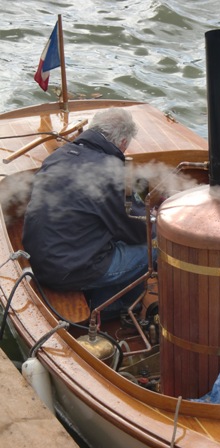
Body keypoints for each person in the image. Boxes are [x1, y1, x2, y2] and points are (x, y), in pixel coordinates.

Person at [22, 107, 156, 318]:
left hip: (39, 260)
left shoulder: (57, 156)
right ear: (122, 143)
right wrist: (160, 220)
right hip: (71, 270)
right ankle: (118, 306)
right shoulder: (109, 170)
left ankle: (104, 295)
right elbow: (139, 231)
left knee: (117, 239)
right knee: (155, 246)